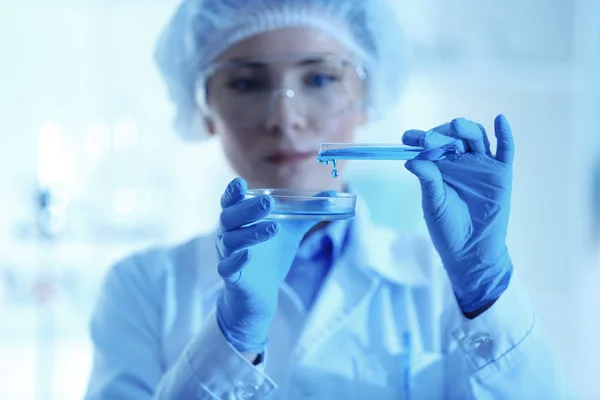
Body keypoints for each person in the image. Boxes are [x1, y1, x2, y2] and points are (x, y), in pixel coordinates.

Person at [85, 0, 571, 398]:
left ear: (368, 94)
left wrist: (485, 290)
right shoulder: (144, 288)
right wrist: (233, 339)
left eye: (319, 79)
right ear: (205, 109)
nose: (285, 118)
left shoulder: (444, 286)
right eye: (247, 83)